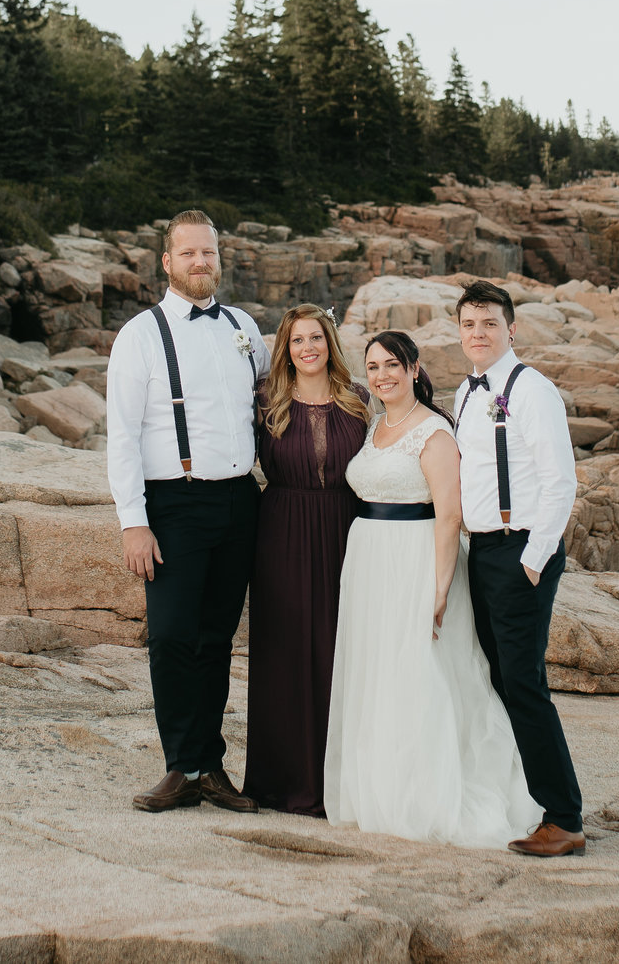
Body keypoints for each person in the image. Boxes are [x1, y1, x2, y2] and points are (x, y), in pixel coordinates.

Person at [323, 329, 539, 848]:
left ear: (415, 368)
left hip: (417, 560)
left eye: (393, 365)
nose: (382, 376)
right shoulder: (375, 426)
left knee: (421, 673)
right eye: (372, 367)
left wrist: (440, 587)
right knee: (378, 674)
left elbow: (449, 515)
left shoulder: (435, 432)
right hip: (371, 562)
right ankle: (381, 787)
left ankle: (428, 794)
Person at [105, 210, 268, 814]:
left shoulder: (244, 326)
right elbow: (120, 435)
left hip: (238, 501)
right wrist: (133, 520)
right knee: (172, 636)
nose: (202, 263)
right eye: (189, 254)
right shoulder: (140, 335)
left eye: (210, 253)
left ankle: (211, 767)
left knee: (217, 640)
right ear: (167, 262)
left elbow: (267, 405)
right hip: (173, 502)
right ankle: (181, 766)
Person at [451, 280, 586, 856]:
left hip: (520, 551)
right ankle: (531, 799)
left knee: (525, 683)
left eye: (488, 324)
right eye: (468, 325)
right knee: (502, 679)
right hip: (481, 552)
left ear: (512, 330)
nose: (478, 334)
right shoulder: (464, 391)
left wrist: (534, 560)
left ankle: (564, 817)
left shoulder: (533, 391)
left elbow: (561, 480)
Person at [241, 304, 367, 815]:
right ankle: (282, 780)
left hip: (346, 531)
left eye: (315, 338)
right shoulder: (265, 400)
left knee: (340, 653)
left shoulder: (358, 399)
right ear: (285, 349)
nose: (307, 348)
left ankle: (339, 779)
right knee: (285, 653)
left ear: (329, 343)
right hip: (282, 532)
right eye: (296, 341)